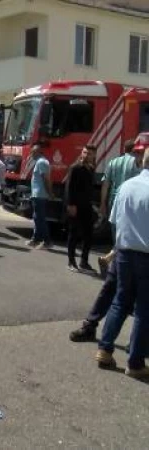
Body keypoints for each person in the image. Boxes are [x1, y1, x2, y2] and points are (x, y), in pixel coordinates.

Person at [95, 149, 149, 379]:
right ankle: (135, 362)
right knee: (144, 311)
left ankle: (105, 349)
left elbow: (115, 220)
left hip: (125, 253)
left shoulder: (126, 186)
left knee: (120, 301)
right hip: (146, 255)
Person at [97, 139, 143, 276]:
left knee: (116, 234)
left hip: (114, 201)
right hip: (130, 202)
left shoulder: (113, 162)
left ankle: (110, 261)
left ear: (124, 148)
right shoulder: (136, 163)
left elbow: (105, 185)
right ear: (134, 150)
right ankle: (116, 267)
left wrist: (102, 203)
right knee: (127, 236)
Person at [65, 145, 97, 272]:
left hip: (87, 206)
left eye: (89, 153)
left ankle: (84, 261)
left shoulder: (91, 168)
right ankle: (71, 261)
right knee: (73, 233)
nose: (86, 155)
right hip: (75, 206)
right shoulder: (75, 167)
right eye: (84, 152)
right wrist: (71, 205)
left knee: (88, 234)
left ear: (94, 155)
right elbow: (69, 187)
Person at [26, 144, 53, 249]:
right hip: (37, 194)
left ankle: (47, 241)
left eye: (32, 152)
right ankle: (35, 239)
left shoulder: (42, 162)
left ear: (38, 152)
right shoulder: (40, 162)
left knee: (40, 218)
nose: (31, 154)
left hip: (40, 195)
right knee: (37, 218)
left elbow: (46, 179)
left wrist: (50, 193)